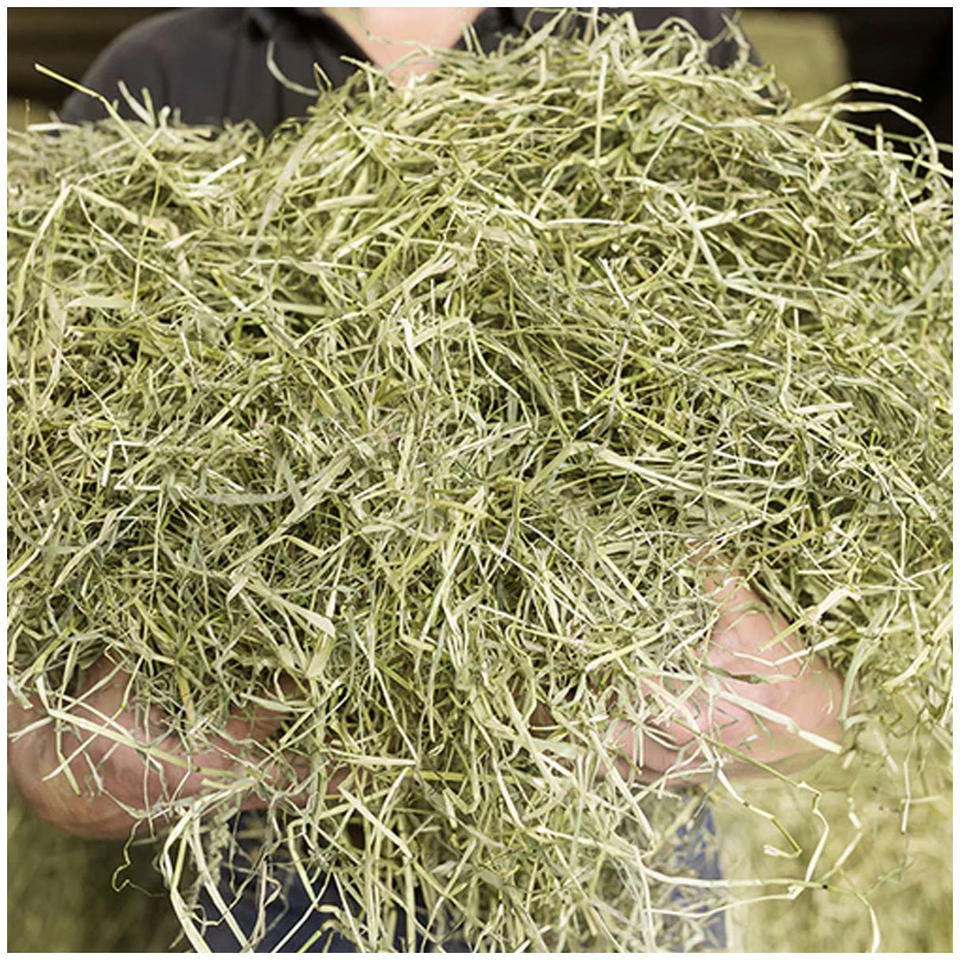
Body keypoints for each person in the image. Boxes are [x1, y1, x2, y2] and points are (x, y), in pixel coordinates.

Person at [11, 7, 843, 952]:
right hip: (281, 879)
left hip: (606, 864)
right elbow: (48, 750)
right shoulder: (161, 78)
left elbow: (823, 678)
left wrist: (688, 670)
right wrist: (356, 737)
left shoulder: (654, 37)